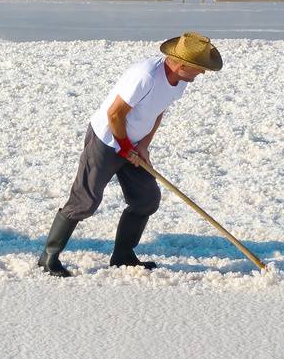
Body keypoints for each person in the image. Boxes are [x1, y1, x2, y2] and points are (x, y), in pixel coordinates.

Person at [39, 32, 223, 276]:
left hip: (132, 143)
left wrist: (143, 145)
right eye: (199, 68)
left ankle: (123, 255)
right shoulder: (145, 76)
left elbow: (159, 111)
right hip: (106, 140)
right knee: (85, 201)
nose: (202, 74)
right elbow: (114, 114)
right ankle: (48, 257)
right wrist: (124, 147)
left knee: (146, 199)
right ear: (181, 65)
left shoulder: (180, 81)